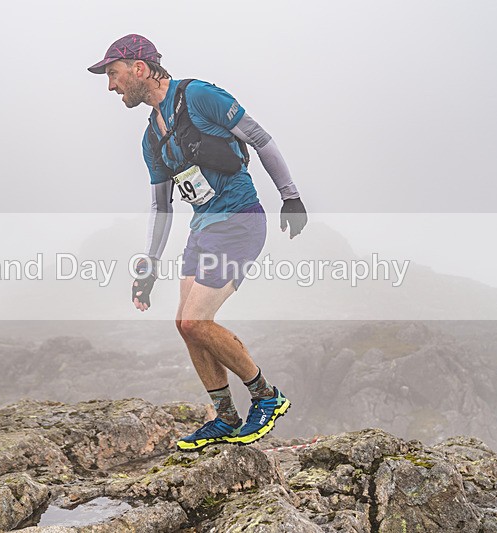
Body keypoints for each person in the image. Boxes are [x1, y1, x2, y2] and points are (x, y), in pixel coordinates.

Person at [88, 34, 308, 451]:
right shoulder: (151, 139)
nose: (111, 86)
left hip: (239, 220)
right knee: (185, 326)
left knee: (196, 322)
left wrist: (290, 196)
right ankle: (225, 417)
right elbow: (161, 205)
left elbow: (260, 138)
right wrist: (149, 266)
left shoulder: (198, 96)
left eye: (113, 74)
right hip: (203, 229)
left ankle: (266, 397)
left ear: (139, 68)